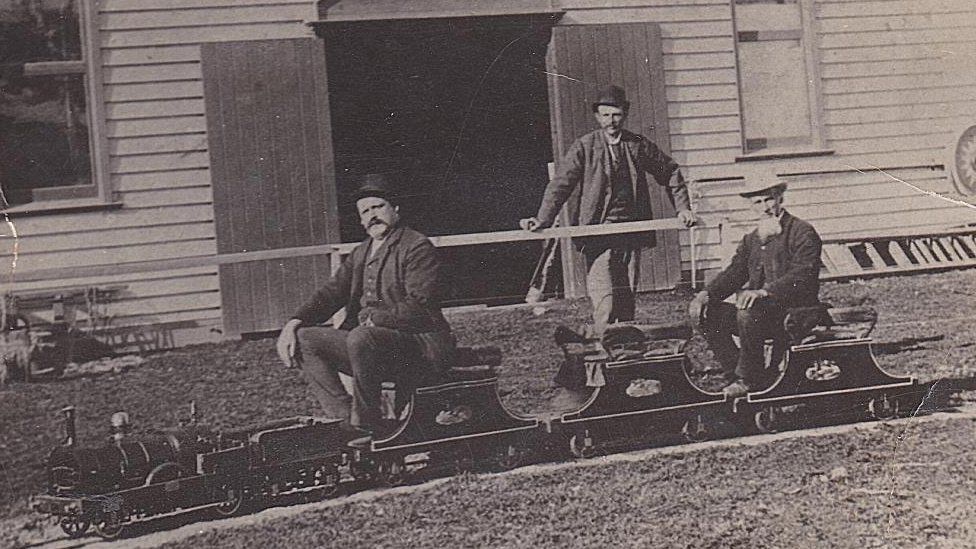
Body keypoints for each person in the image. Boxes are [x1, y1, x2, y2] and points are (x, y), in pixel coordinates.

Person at [276, 174, 456, 443]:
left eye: (378, 207)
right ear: (361, 220)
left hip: (419, 346)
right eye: (365, 211)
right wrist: (293, 322)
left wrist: (373, 319)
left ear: (395, 209)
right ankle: (346, 420)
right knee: (306, 339)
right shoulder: (362, 252)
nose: (373, 216)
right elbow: (330, 294)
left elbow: (420, 307)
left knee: (361, 336)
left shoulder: (416, 246)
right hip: (371, 347)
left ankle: (368, 425)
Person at [519, 85, 696, 337]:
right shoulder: (585, 147)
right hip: (599, 236)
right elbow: (561, 185)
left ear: (624, 114)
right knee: (605, 300)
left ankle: (626, 359)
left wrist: (683, 209)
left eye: (616, 115)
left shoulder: (637, 145)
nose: (611, 121)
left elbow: (669, 172)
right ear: (597, 116)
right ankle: (601, 362)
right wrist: (542, 219)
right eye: (605, 115)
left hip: (630, 234)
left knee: (625, 302)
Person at [688, 170, 823, 398]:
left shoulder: (801, 232)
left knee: (747, 311)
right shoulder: (752, 239)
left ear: (780, 198)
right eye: (757, 202)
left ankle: (747, 379)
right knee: (709, 313)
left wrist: (764, 291)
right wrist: (706, 294)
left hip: (796, 313)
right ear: (752, 207)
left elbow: (804, 274)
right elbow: (734, 273)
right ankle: (737, 374)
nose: (764, 207)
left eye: (769, 199)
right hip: (760, 314)